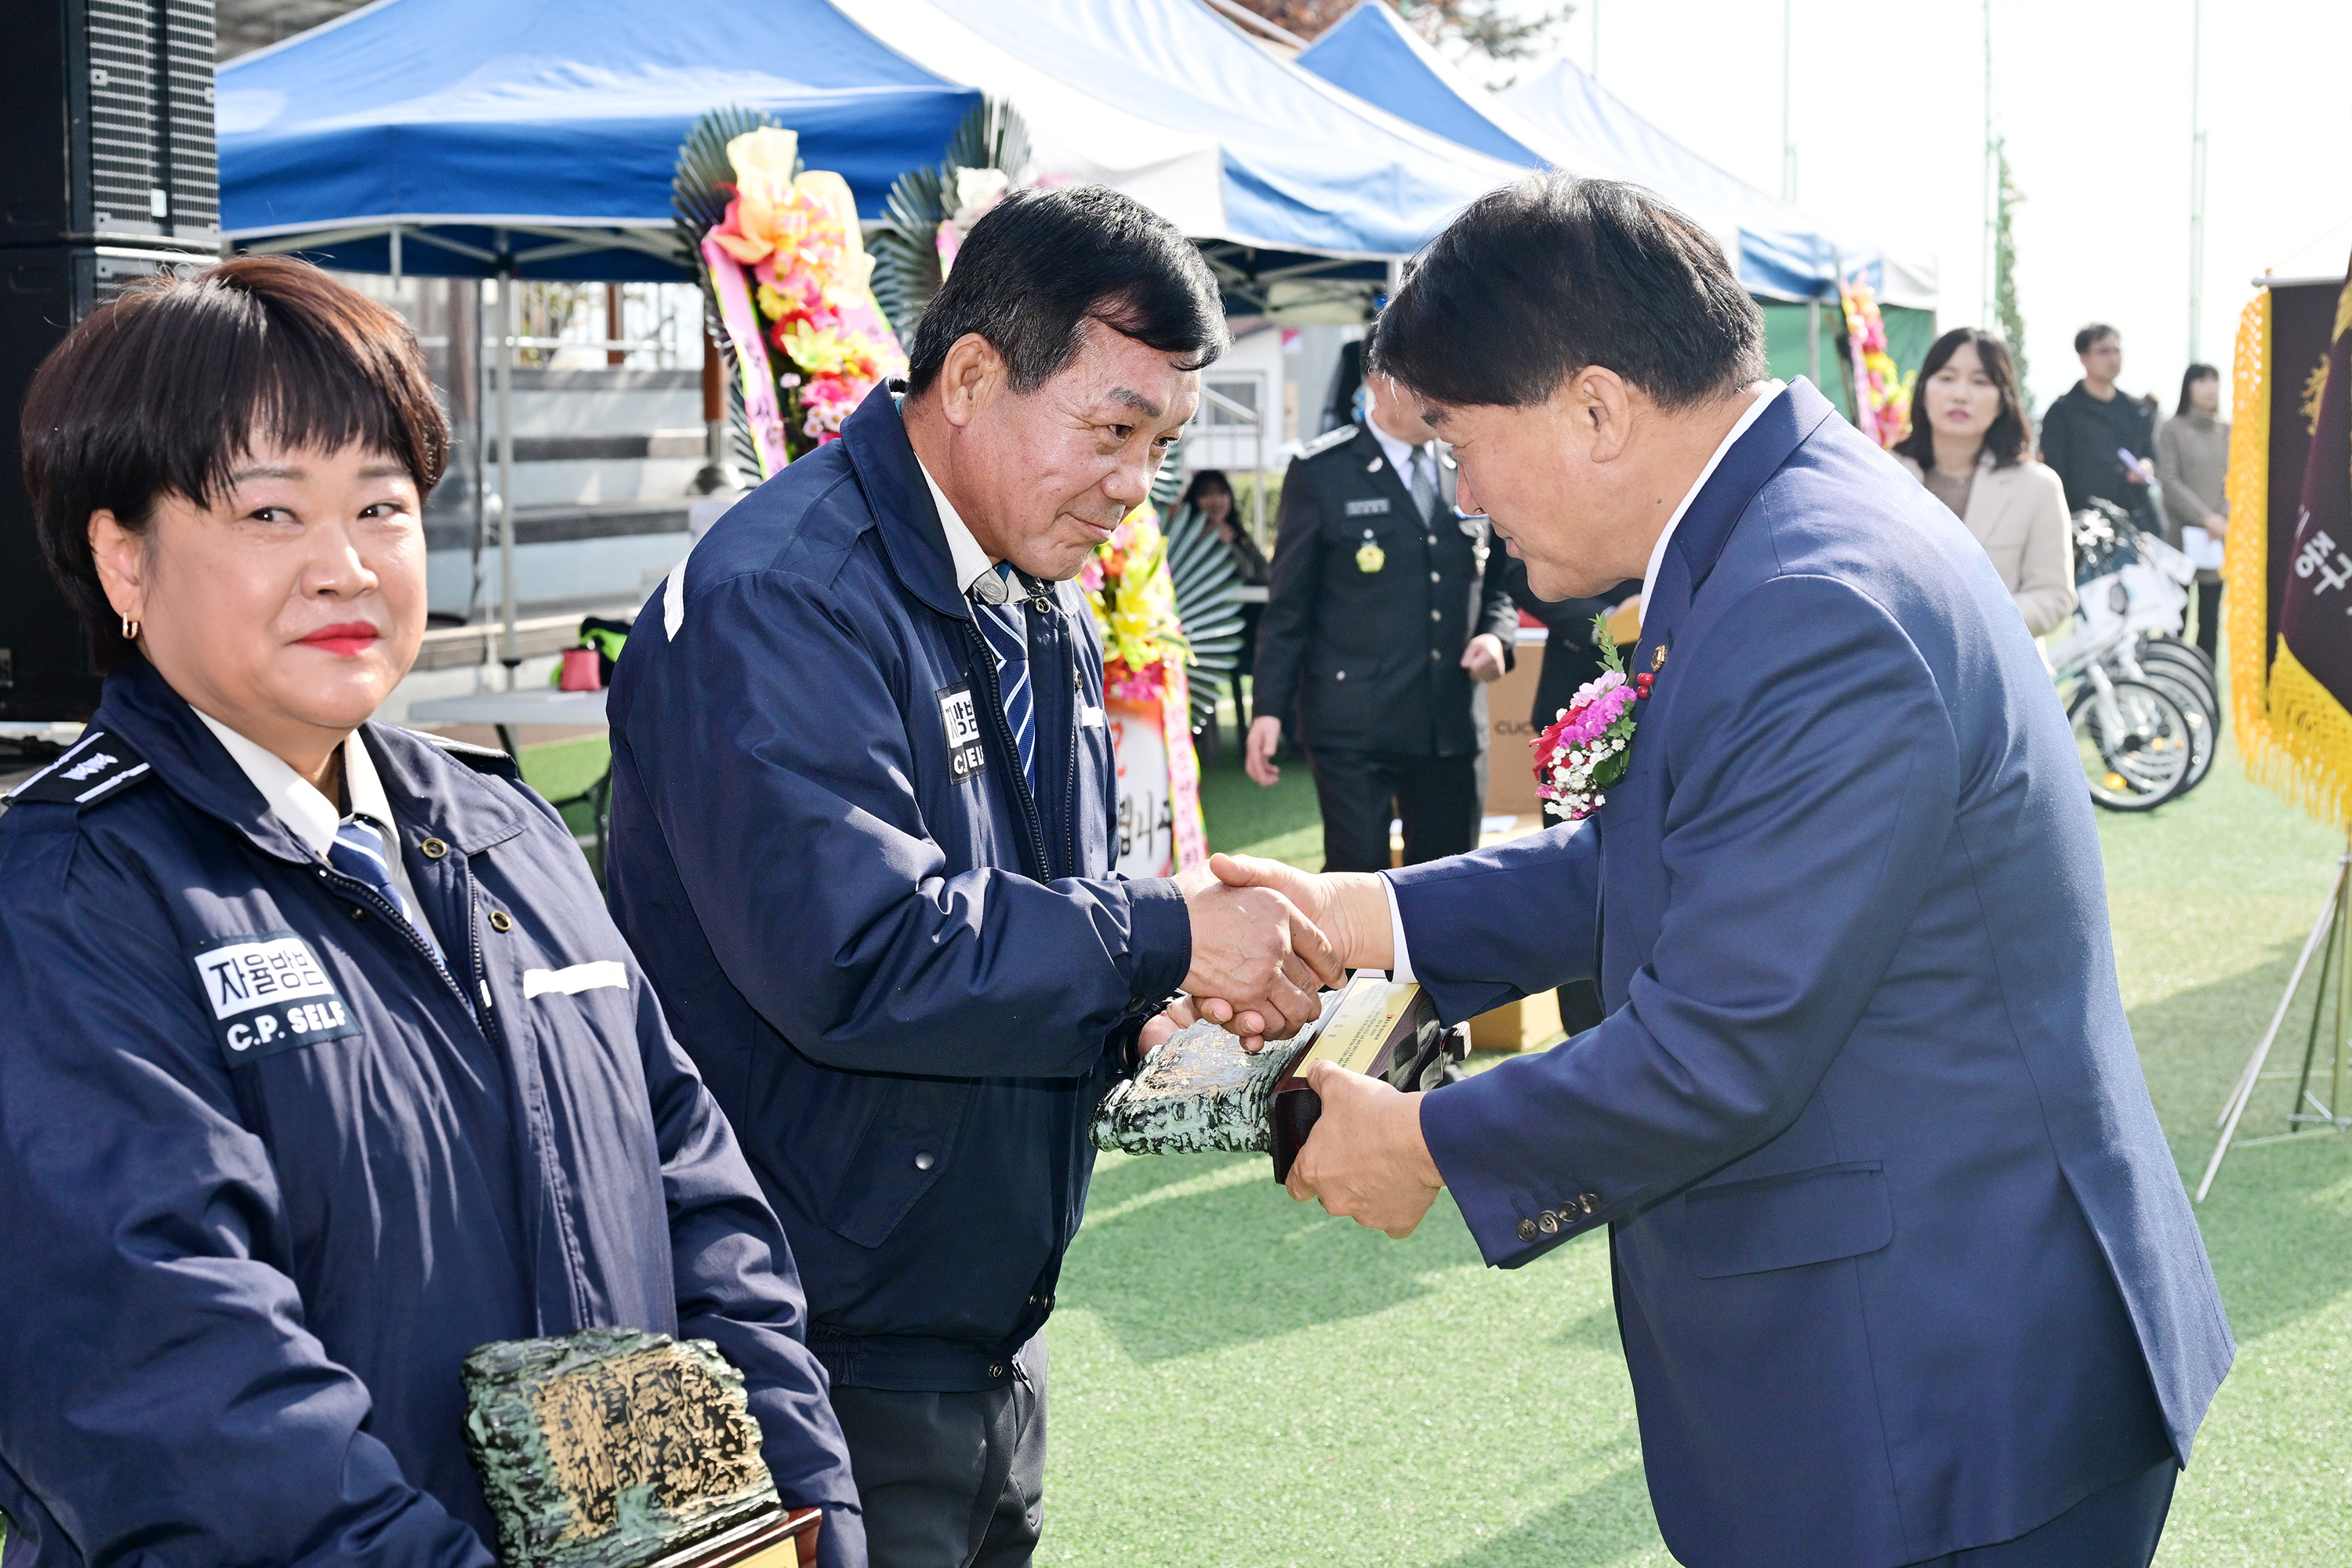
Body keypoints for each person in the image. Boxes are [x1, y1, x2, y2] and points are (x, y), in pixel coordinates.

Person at [1202, 175, 2232, 1568]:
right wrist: (1361, 910)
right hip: (1919, 1355)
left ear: (1597, 408)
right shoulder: (1780, 529)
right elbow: (1651, 861)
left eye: (1462, 438)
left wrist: (1428, 1144)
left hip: (1945, 1403)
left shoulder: (1811, 597)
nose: (1466, 493)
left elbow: (1725, 1041)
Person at [0, 258, 858, 1567]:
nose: (344, 567)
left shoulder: (507, 833)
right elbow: (180, 1402)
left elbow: (706, 1214)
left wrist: (806, 1520)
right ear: (123, 555)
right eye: (271, 513)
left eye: (382, 507)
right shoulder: (70, 900)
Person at [603, 187, 1337, 1568]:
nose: (1136, 484)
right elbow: (861, 951)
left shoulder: (1033, 587)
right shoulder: (789, 593)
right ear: (972, 376)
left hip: (975, 1308)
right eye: (1112, 429)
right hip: (819, 1330)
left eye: (1161, 446)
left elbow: (1050, 897)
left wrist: (1157, 1000)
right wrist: (1162, 943)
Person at [1247, 357, 1520, 872]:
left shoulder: (1466, 460)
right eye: (1423, 381)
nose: (1438, 395)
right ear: (1378, 382)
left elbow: (1504, 573)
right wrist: (1268, 708)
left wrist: (1496, 635)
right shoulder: (1323, 471)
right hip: (1355, 724)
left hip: (1448, 719)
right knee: (1359, 882)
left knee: (1450, 883)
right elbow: (1290, 605)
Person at [1893, 328, 2077, 636]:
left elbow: (2054, 594)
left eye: (1980, 382)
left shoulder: (2038, 486)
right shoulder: (1883, 474)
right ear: (1923, 391)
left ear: (2003, 400)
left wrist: (1974, 625)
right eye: (1947, 377)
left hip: (1997, 672)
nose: (1961, 394)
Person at [2038, 323, 2160, 533]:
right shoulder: (2063, 413)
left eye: (2117, 350)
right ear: (2084, 357)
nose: (2113, 358)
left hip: (2137, 522)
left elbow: (2150, 454)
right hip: (2085, 526)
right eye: (2104, 351)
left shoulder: (2136, 410)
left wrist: (2146, 465)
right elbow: (2054, 474)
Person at [1178, 468, 1270, 707]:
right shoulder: (1184, 539)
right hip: (1205, 635)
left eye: (1221, 492)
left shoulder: (1237, 535)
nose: (1215, 500)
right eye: (1206, 494)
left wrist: (1232, 545)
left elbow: (1261, 574)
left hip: (1249, 628)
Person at [2158, 364, 2230, 658]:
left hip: (2217, 544)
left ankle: (2206, 695)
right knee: (2175, 621)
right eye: (2202, 381)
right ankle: (2170, 689)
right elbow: (2169, 481)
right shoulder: (2172, 429)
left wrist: (2222, 517)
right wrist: (2206, 518)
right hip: (2181, 541)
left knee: (2210, 625)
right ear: (2188, 387)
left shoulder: (2229, 430)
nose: (2210, 387)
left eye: (2215, 380)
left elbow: (2238, 479)